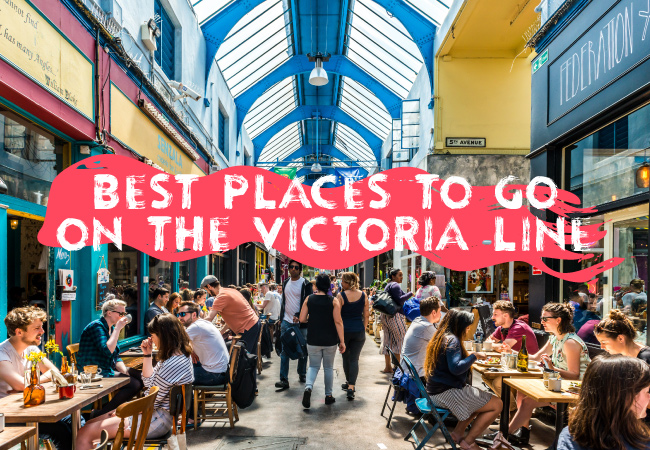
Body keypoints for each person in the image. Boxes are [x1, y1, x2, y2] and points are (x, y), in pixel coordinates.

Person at [76, 314, 194, 448]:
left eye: (153, 336)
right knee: (91, 423)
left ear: (164, 336)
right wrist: (147, 354)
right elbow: (148, 383)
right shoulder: (177, 355)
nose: (152, 340)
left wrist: (126, 410)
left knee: (84, 433)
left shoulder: (172, 363)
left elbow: (151, 401)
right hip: (158, 417)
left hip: (154, 421)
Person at [501, 303, 590, 446]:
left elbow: (574, 375)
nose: (542, 322)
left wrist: (552, 368)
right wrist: (511, 352)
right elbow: (536, 357)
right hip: (559, 385)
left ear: (558, 320)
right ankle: (508, 435)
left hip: (576, 389)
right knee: (524, 397)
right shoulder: (555, 338)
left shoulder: (570, 342)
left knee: (526, 399)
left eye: (545, 318)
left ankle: (504, 437)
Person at [0, 307, 78, 449]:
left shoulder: (31, 349)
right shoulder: (2, 354)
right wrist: (29, 384)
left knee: (73, 419)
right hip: (9, 415)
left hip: (30, 407)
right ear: (19, 332)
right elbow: (20, 385)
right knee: (61, 430)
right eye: (37, 328)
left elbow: (54, 372)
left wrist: (32, 384)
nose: (42, 331)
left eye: (41, 327)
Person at [424, 309, 502, 450]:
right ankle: (469, 442)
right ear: (460, 325)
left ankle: (457, 434)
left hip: (435, 391)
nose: (468, 329)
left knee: (480, 401)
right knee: (497, 404)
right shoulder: (452, 340)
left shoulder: (442, 336)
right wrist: (474, 356)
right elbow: (456, 368)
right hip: (445, 393)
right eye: (467, 326)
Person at [557, 354, 650, 450]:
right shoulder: (642, 445)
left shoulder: (569, 435)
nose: (649, 397)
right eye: (647, 391)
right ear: (626, 398)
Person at [77, 299, 144, 417]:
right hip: (94, 372)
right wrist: (118, 328)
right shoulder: (97, 326)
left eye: (124, 314)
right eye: (121, 314)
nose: (123, 317)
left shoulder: (111, 328)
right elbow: (107, 351)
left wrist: (124, 369)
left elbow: (115, 355)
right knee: (134, 384)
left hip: (107, 368)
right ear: (109, 313)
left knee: (142, 378)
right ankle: (102, 414)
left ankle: (115, 410)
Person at [299, 273, 345, 408]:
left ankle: (308, 388)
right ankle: (328, 396)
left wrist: (311, 320)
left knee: (313, 366)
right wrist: (342, 341)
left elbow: (302, 319)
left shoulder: (309, 299)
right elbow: (338, 321)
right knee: (328, 368)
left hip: (313, 338)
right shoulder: (334, 301)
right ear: (328, 286)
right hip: (330, 340)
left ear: (317, 285)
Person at [275, 260, 311, 390]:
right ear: (288, 269)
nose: (294, 269)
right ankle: (284, 379)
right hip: (286, 321)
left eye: (296, 267)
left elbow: (308, 302)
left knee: (302, 349)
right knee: (285, 350)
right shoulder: (285, 283)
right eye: (291, 267)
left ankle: (302, 373)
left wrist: (299, 314)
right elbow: (284, 301)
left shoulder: (305, 284)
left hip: (300, 323)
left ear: (300, 269)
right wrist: (280, 317)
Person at [204, 276, 261, 354]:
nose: (208, 293)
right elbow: (233, 317)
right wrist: (221, 332)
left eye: (206, 290)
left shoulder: (220, 297)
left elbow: (209, 319)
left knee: (243, 358)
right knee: (250, 356)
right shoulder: (230, 290)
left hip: (247, 327)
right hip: (254, 322)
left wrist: (193, 326)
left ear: (209, 286)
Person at [177, 301, 229, 385]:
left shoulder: (195, 327)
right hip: (222, 372)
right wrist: (192, 351)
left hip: (214, 375)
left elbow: (176, 345)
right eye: (178, 314)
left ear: (194, 315)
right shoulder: (204, 323)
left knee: (175, 374)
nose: (179, 317)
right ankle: (191, 397)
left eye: (183, 314)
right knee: (185, 366)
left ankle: (189, 398)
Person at [338, 272, 369, 400]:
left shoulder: (341, 296)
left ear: (347, 282)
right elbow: (366, 315)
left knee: (346, 358)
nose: (341, 283)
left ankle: (348, 382)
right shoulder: (363, 295)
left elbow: (337, 317)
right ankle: (351, 386)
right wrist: (364, 327)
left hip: (345, 331)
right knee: (355, 359)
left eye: (342, 281)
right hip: (359, 331)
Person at [400, 296, 442, 379]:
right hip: (416, 377)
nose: (441, 314)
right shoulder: (426, 327)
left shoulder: (417, 321)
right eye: (440, 311)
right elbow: (444, 344)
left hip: (406, 371)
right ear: (434, 312)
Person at [380, 268, 411, 373]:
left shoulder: (388, 285)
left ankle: (388, 367)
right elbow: (400, 299)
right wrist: (411, 293)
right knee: (400, 341)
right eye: (400, 275)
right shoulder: (395, 285)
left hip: (385, 316)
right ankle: (398, 369)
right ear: (393, 276)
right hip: (394, 316)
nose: (402, 277)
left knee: (387, 342)